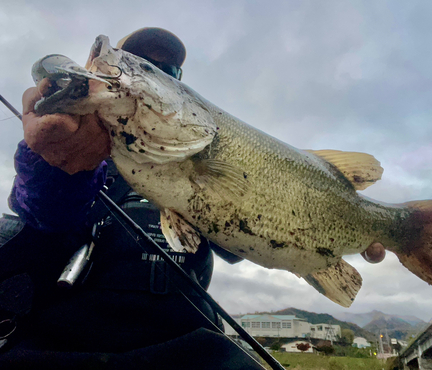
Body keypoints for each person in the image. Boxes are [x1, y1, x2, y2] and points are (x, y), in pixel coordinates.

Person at [0, 28, 263, 370]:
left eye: (168, 73)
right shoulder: (83, 149)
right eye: (138, 63)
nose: (151, 74)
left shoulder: (208, 164)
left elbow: (247, 242)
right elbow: (44, 212)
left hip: (191, 349)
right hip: (62, 348)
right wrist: (52, 161)